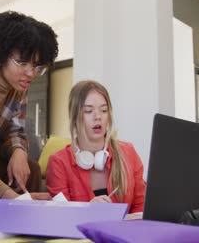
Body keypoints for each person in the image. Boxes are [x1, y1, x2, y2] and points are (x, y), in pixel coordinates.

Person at [0, 11, 58, 198]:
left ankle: (23, 220)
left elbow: (16, 129)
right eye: (22, 62)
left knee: (32, 168)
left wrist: (19, 151)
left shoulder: (19, 89)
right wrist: (10, 196)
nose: (31, 73)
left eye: (37, 66)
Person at [45, 80, 145, 213]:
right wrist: (87, 211)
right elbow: (62, 219)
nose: (98, 117)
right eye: (88, 111)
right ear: (75, 117)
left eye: (104, 110)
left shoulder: (128, 152)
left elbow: (141, 207)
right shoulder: (59, 163)